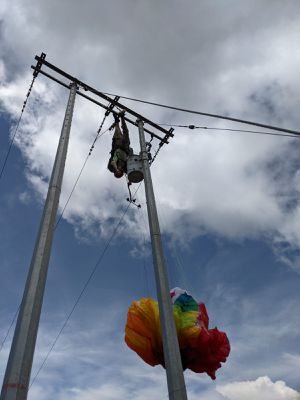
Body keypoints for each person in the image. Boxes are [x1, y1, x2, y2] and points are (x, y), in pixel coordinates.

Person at [108, 111, 132, 178]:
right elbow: (130, 170)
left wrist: (116, 169)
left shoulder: (114, 165)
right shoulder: (124, 166)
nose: (119, 170)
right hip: (125, 146)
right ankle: (122, 117)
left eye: (117, 171)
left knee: (117, 129)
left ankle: (116, 121)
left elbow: (113, 162)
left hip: (117, 144)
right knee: (126, 131)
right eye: (120, 171)